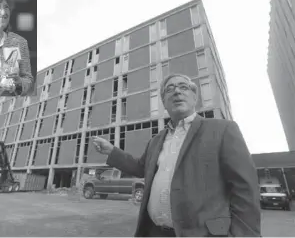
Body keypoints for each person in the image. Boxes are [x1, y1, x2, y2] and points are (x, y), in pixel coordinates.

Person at [92, 73, 261, 237]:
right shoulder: (156, 141)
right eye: (170, 89)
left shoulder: (223, 130)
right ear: (164, 102)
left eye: (183, 87)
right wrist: (112, 151)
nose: (177, 91)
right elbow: (141, 168)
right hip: (154, 232)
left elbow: (245, 188)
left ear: (194, 97)